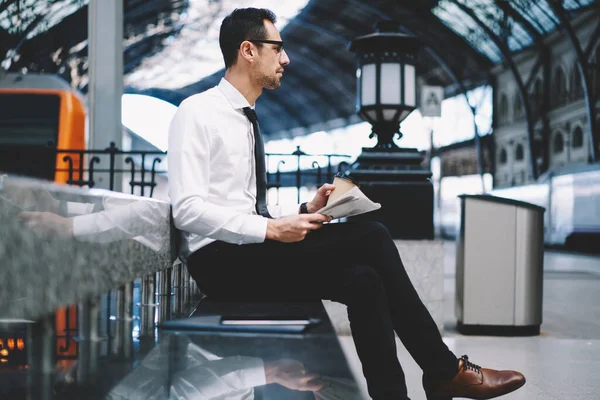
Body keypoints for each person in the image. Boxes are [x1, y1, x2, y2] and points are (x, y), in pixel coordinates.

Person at [167, 7, 526, 400]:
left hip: (250, 252)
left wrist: (304, 213)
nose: (286, 59)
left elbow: (241, 209)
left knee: (364, 282)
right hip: (220, 263)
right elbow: (187, 209)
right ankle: (442, 369)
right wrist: (271, 229)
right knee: (371, 235)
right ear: (248, 50)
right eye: (278, 48)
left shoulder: (247, 118)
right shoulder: (197, 112)